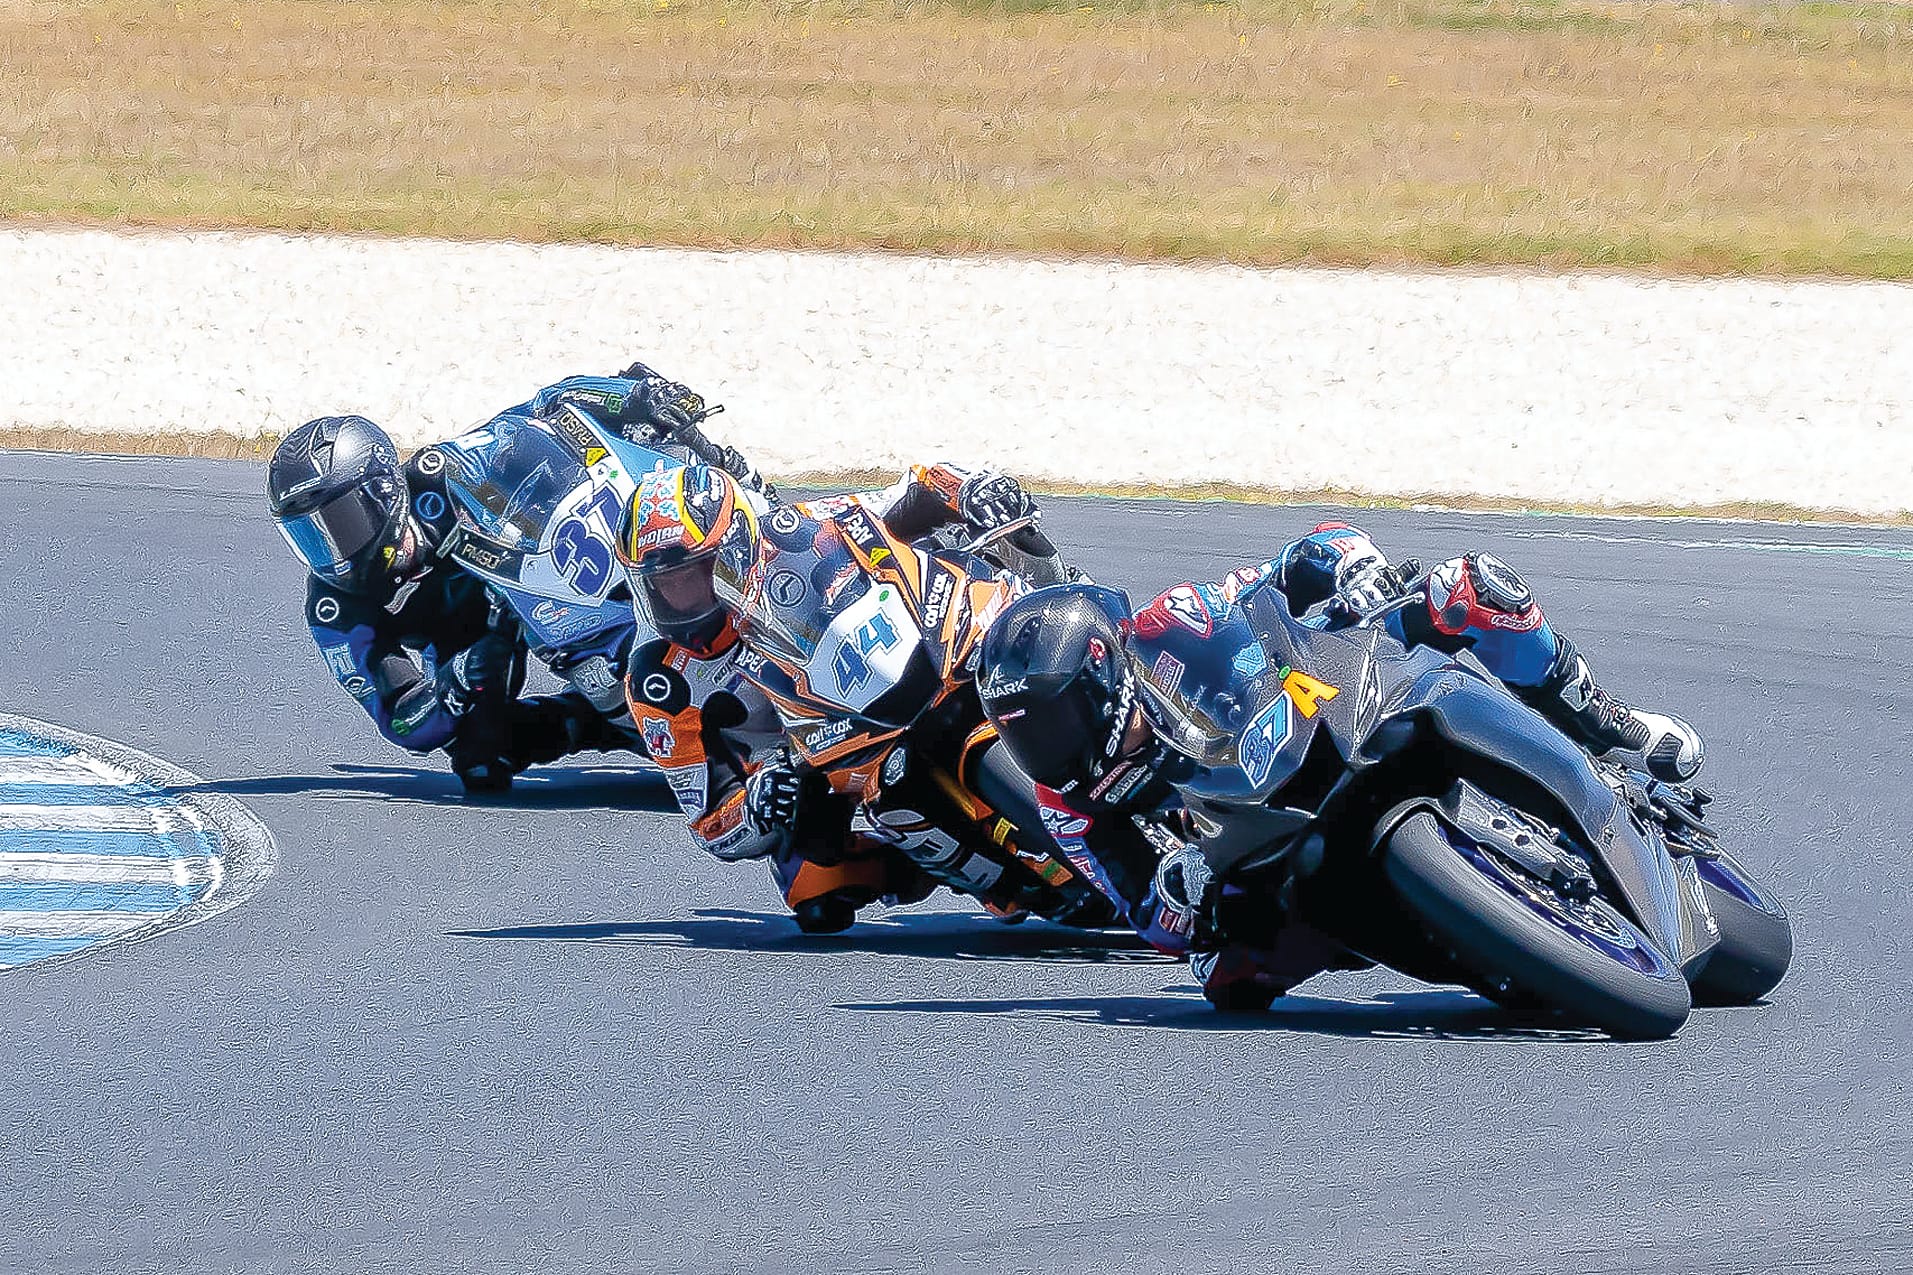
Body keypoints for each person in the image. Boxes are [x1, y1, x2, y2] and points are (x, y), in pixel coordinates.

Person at [974, 521, 1706, 1008]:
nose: (1046, 748)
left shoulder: (1174, 617)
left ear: (1102, 676)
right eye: (1023, 734)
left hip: (1321, 696)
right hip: (1258, 836)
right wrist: (1179, 889)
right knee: (1227, 980)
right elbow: (1147, 912)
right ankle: (1483, 933)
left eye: (1053, 719)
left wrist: (1352, 568)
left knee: (1467, 588)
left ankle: (1609, 725)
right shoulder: (1066, 801)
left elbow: (1301, 556)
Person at [265, 362, 749, 793]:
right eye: (308, 536)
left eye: (340, 523)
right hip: (477, 651)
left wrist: (633, 398)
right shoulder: (333, 607)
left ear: (385, 491)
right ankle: (594, 720)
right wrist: (452, 687)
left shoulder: (442, 475)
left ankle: (746, 516)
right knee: (480, 759)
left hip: (549, 586)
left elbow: (546, 409)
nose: (332, 552)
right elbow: (399, 719)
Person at [613, 459, 1044, 929]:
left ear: (734, 546)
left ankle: (1083, 617)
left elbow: (912, 489)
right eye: (665, 586)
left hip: (899, 664)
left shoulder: (798, 532)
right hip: (810, 761)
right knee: (815, 888)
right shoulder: (661, 683)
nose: (683, 598)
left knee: (1013, 580)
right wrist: (755, 804)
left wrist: (970, 490)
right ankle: (952, 867)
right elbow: (710, 824)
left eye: (697, 575)